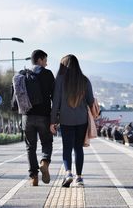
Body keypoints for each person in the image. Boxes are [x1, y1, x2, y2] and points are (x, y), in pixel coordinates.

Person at [50, 54, 95, 187]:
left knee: (67, 148)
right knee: (78, 149)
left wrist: (52, 121)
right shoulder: (85, 80)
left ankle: (68, 173)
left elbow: (56, 102)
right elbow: (91, 101)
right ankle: (79, 178)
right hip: (82, 119)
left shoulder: (59, 81)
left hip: (65, 120)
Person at [17, 49, 55, 186]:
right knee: (46, 142)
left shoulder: (22, 75)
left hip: (27, 116)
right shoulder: (48, 74)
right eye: (45, 60)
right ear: (39, 59)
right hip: (44, 116)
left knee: (30, 147)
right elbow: (54, 96)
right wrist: (55, 116)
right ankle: (44, 162)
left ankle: (34, 176)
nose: (46, 63)